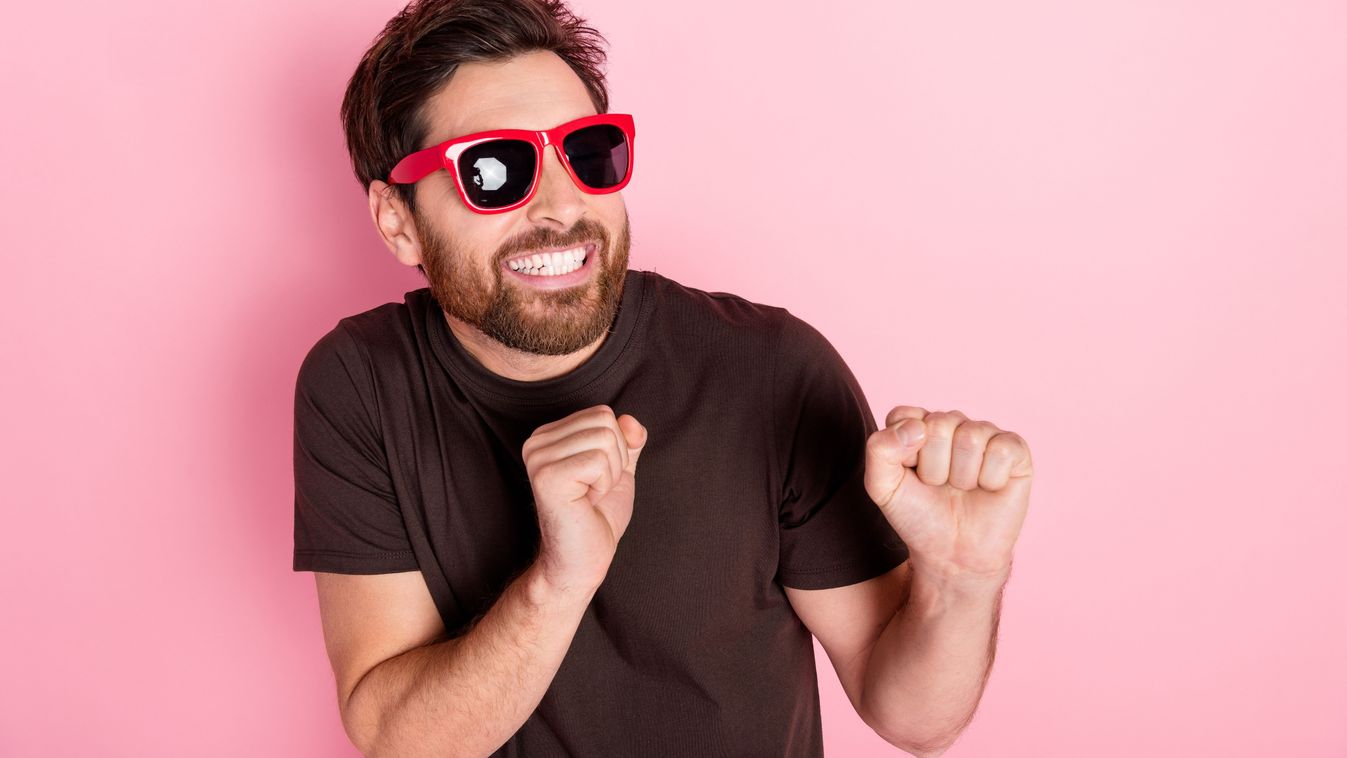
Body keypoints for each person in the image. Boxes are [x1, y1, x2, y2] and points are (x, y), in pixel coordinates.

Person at [292, 1, 1034, 756]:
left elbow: (912, 717)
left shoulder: (773, 370)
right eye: (494, 170)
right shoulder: (359, 384)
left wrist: (962, 583)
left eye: (587, 153)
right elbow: (400, 740)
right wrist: (558, 581)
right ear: (398, 221)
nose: (561, 207)